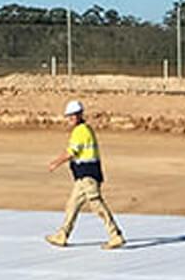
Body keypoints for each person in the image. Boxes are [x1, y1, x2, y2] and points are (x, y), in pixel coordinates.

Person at [44, 99, 126, 250]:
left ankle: (115, 235)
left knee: (96, 204)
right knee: (72, 205)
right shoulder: (84, 130)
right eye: (69, 116)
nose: (70, 119)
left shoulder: (80, 131)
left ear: (79, 115)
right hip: (83, 177)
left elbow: (71, 152)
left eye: (73, 115)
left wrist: (55, 163)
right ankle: (62, 235)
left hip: (88, 176)